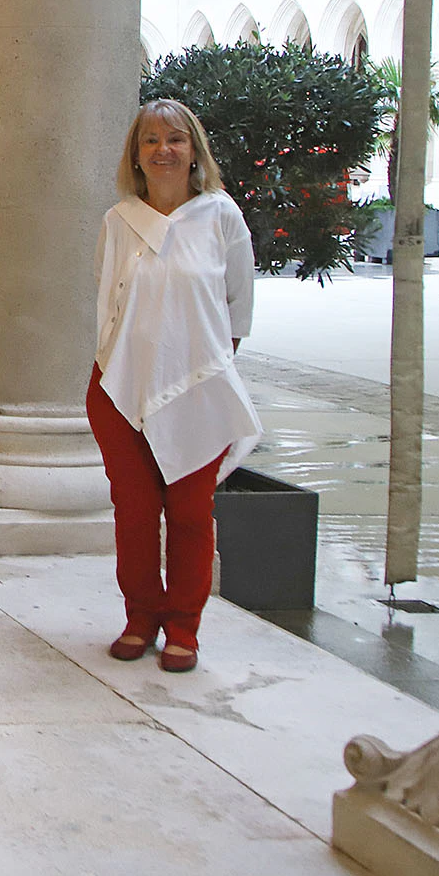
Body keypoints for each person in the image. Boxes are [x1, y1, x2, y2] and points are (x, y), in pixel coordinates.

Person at [90, 99, 261, 673]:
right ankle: (140, 617)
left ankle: (184, 627)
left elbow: (238, 308)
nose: (163, 150)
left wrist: (200, 369)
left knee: (190, 512)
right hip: (121, 388)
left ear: (194, 150)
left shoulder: (220, 216)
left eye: (176, 139)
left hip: (195, 386)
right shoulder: (119, 221)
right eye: (151, 141)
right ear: (135, 155)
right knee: (134, 512)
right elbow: (106, 305)